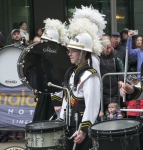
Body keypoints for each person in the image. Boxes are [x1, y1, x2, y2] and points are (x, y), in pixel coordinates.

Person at [58, 5, 105, 150]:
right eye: (69, 51)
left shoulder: (90, 75)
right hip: (71, 124)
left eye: (74, 51)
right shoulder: (73, 72)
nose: (70, 54)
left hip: (82, 126)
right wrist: (61, 120)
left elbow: (92, 104)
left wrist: (84, 129)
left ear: (84, 52)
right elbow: (68, 98)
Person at [100, 39, 124, 111]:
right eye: (107, 48)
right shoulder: (98, 58)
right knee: (105, 111)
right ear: (102, 48)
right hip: (103, 88)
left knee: (115, 110)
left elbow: (119, 70)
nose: (109, 50)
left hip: (114, 88)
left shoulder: (114, 57)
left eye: (110, 47)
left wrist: (120, 80)